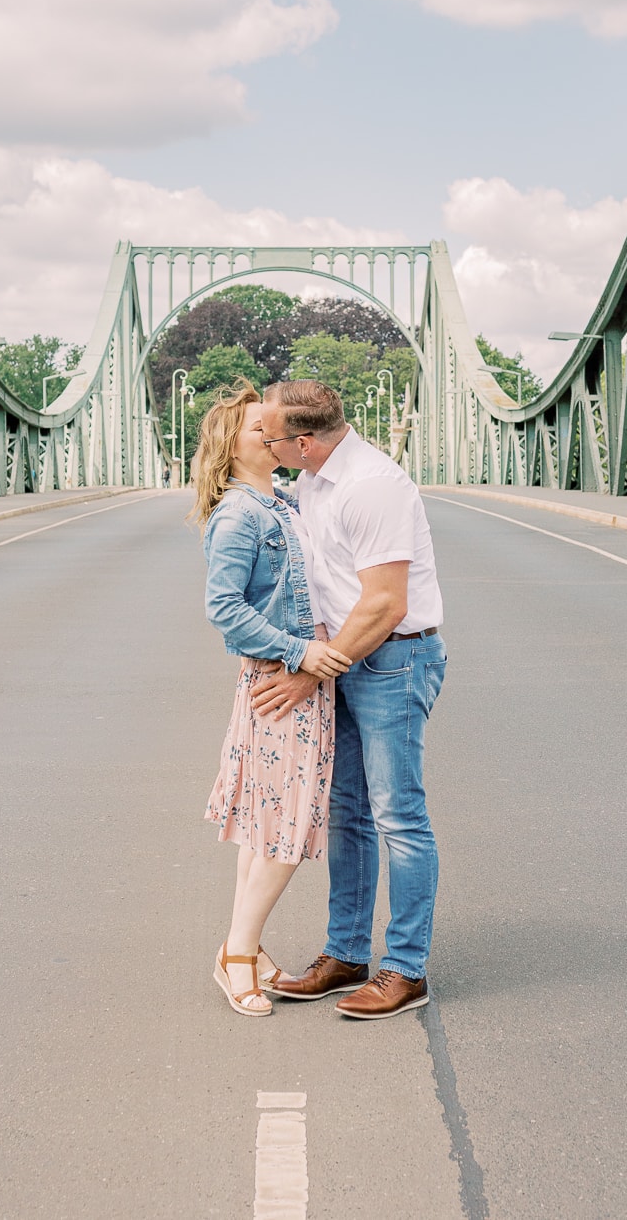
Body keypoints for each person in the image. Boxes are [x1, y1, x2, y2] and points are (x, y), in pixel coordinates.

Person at [255, 381, 446, 1021]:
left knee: (398, 815)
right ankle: (346, 955)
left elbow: (387, 603)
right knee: (349, 813)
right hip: (348, 658)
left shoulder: (373, 486)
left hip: (393, 658)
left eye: (272, 437)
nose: (267, 444)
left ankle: (405, 968)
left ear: (303, 442)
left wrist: (311, 674)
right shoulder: (312, 481)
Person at [194, 379, 352, 1018]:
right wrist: (302, 654)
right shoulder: (242, 513)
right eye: (259, 423)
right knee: (286, 829)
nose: (272, 429)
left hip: (297, 679)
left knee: (268, 824)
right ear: (231, 443)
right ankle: (238, 952)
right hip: (280, 681)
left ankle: (243, 951)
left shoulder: (283, 502)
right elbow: (224, 609)